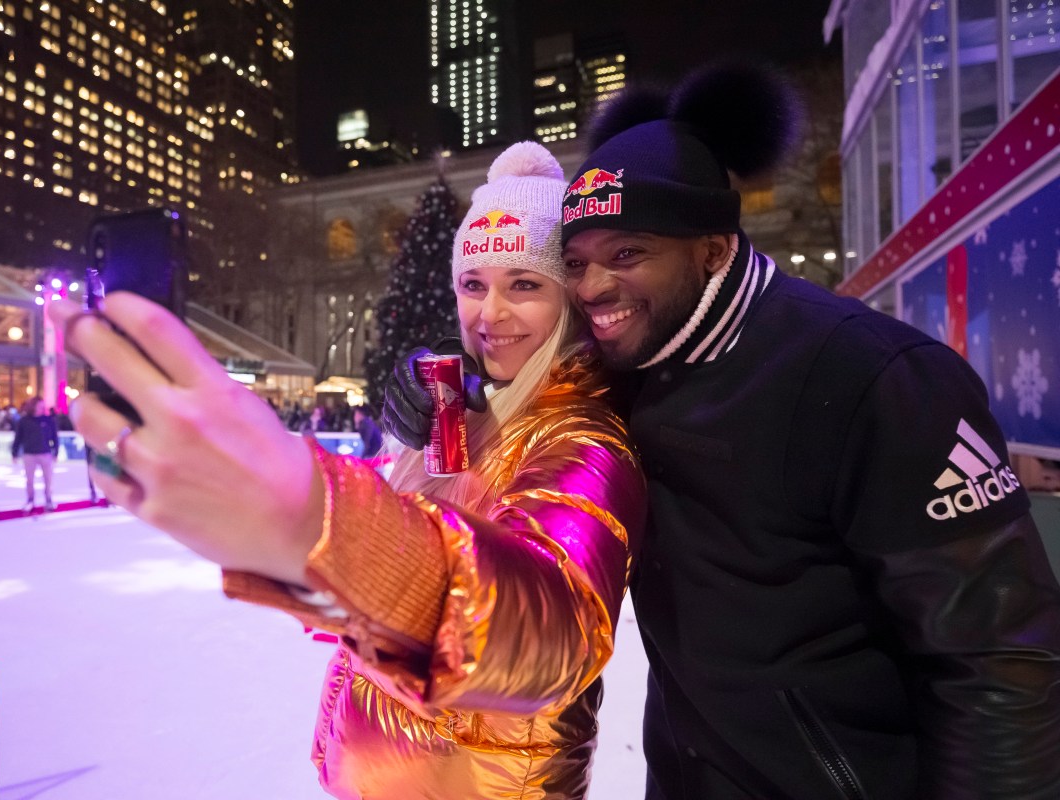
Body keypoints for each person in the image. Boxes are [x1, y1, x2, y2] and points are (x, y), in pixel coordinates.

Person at [383, 64, 1060, 799]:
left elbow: (1002, 663)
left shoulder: (875, 377)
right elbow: (529, 386)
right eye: (575, 263)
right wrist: (435, 392)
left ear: (713, 248)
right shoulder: (632, 363)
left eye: (628, 253)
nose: (592, 287)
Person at [50, 141, 646, 800]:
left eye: (525, 285)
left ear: (570, 296)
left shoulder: (587, 442)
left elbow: (546, 634)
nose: (490, 314)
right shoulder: (467, 416)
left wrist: (313, 514)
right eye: (473, 285)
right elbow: (376, 603)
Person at [11, 396, 60, 512]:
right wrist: (14, 453)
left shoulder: (48, 420)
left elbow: (54, 437)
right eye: (39, 405)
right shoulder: (24, 421)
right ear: (33, 406)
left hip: (45, 453)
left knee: (48, 479)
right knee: (29, 480)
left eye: (43, 406)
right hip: (29, 454)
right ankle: (30, 500)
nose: (42, 408)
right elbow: (18, 438)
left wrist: (55, 452)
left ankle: (49, 500)